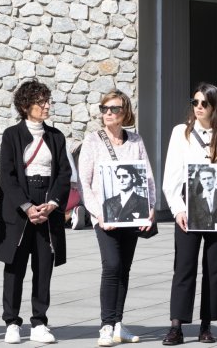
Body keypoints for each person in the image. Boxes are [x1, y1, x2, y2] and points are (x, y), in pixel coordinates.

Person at [160, 83, 217, 345]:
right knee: (184, 266)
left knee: (213, 268)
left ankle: (206, 325)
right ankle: (176, 325)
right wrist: (177, 208)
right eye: (195, 102)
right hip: (189, 205)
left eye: (204, 103)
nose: (198, 107)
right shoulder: (181, 133)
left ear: (214, 106)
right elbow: (172, 174)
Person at [0, 79, 71, 346]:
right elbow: (8, 175)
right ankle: (11, 322)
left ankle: (39, 322)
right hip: (19, 206)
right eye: (42, 102)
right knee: (14, 266)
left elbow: (64, 174)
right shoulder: (11, 135)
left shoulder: (56, 136)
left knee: (43, 266)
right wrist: (27, 207)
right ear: (26, 106)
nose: (47, 105)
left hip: (47, 202)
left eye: (48, 100)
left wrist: (52, 204)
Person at [78, 90, 156, 347]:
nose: (108, 113)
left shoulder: (135, 140)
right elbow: (84, 183)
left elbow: (146, 179)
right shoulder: (92, 141)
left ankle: (118, 324)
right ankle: (106, 325)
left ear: (125, 112)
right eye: (104, 108)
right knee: (111, 266)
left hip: (132, 215)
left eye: (114, 109)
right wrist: (98, 215)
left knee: (124, 269)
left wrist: (150, 209)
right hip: (105, 218)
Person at [186, 167, 217, 231]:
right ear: (200, 181)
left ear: (214, 178)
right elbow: (193, 221)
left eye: (209, 178)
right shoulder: (195, 200)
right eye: (204, 179)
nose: (207, 182)